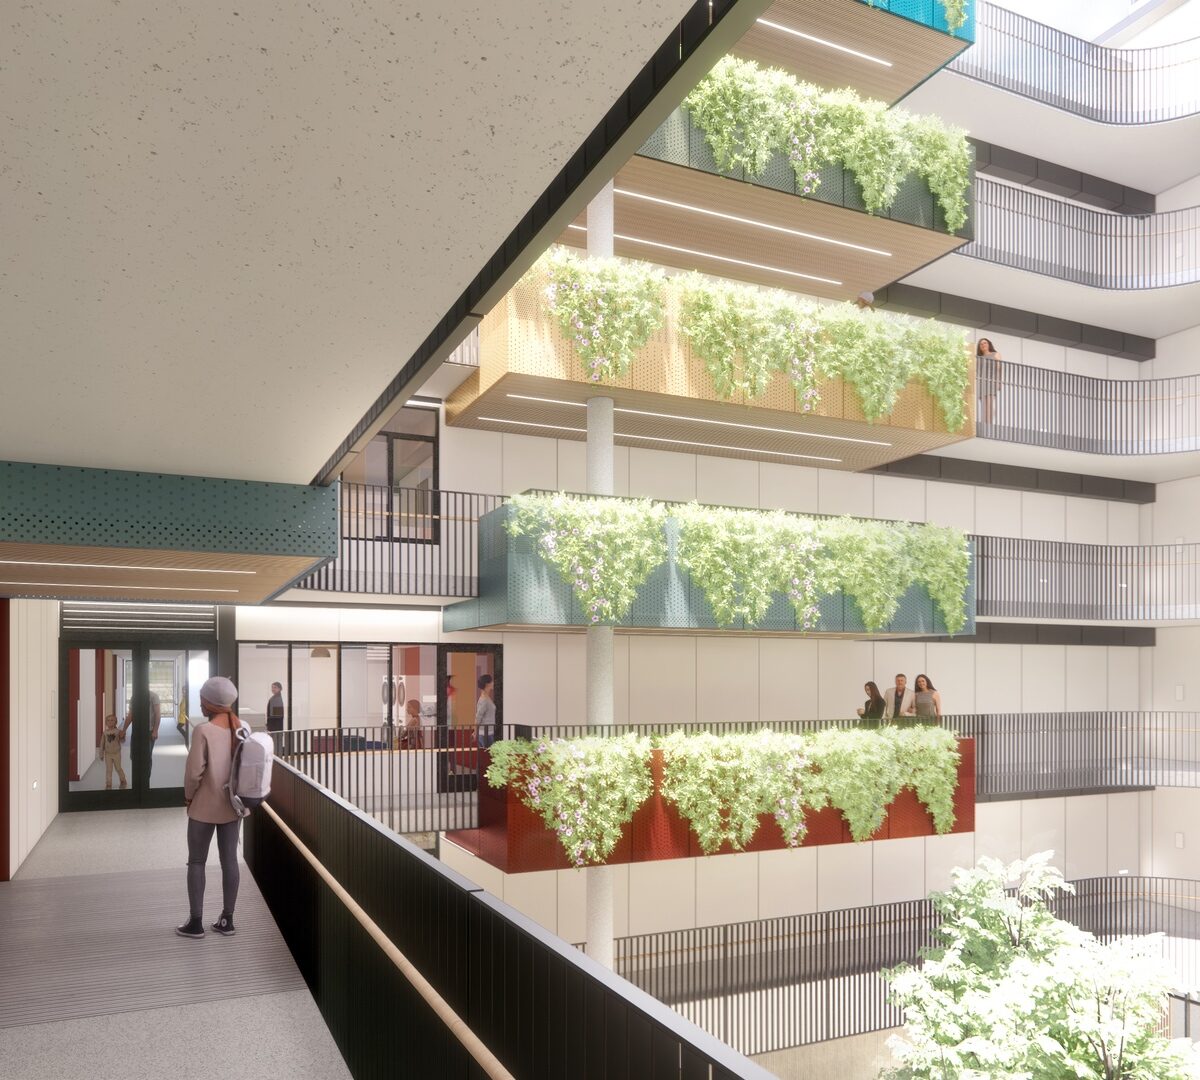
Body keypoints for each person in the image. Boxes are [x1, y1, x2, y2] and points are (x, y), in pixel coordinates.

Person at [177, 675, 245, 940]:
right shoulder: (242, 728)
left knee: (196, 861)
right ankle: (227, 919)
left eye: (202, 699)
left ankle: (196, 923)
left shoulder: (203, 731)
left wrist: (188, 797)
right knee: (230, 861)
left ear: (210, 703)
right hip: (233, 806)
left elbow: (194, 773)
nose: (200, 703)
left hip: (204, 806)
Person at [120, 689, 162, 779]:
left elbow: (157, 714)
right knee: (134, 756)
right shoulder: (134, 697)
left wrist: (155, 730)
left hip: (149, 732)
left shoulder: (153, 696)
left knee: (147, 757)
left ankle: (146, 780)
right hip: (136, 731)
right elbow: (130, 715)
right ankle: (137, 779)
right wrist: (123, 730)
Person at [976, 337, 1003, 425]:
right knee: (984, 406)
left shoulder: (995, 354)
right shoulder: (978, 358)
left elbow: (999, 369)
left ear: (989, 344)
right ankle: (984, 423)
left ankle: (989, 424)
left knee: (990, 404)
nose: (983, 345)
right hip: (981, 383)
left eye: (985, 343)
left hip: (991, 381)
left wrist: (999, 382)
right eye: (981, 344)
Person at [101, 713, 128, 789]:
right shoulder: (105, 733)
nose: (110, 722)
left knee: (118, 768)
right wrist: (101, 754)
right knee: (109, 770)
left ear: (115, 722)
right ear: (106, 722)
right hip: (108, 754)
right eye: (108, 720)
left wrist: (123, 736)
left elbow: (122, 741)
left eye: (112, 720)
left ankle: (123, 780)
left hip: (116, 753)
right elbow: (102, 744)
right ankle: (108, 784)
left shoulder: (118, 731)